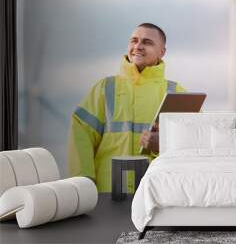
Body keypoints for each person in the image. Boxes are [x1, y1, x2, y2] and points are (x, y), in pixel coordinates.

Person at [67, 23, 185, 193]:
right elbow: (81, 134)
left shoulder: (176, 93)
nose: (138, 46)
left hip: (157, 194)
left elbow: (195, 142)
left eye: (147, 42)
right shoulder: (105, 88)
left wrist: (164, 143)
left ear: (162, 52)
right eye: (134, 41)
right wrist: (82, 182)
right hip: (107, 193)